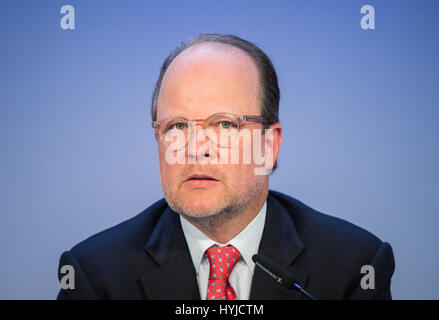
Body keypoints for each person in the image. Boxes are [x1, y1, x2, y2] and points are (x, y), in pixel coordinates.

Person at [57, 34, 395, 300]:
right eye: (176, 127)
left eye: (224, 125)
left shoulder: (355, 266)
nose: (195, 150)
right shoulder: (94, 276)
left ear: (269, 145)